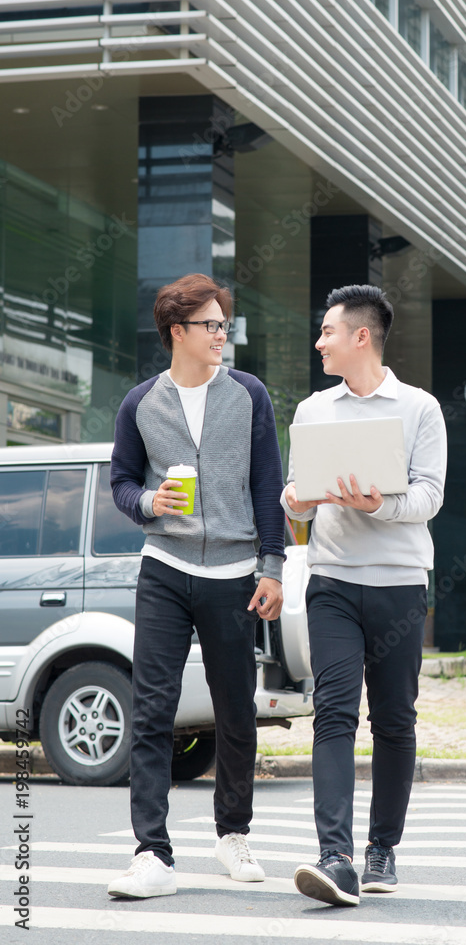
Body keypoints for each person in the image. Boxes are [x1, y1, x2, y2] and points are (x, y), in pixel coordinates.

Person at [107, 273, 285, 899]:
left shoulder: (248, 395)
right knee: (153, 708)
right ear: (176, 332)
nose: (221, 334)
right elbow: (122, 483)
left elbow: (268, 482)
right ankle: (151, 853)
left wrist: (272, 565)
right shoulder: (140, 403)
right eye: (210, 325)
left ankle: (232, 834)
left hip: (235, 573)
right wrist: (150, 501)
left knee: (235, 708)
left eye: (223, 323)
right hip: (165, 567)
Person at [282, 284, 447, 906]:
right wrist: (297, 500)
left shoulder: (420, 409)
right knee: (334, 713)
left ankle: (382, 849)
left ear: (360, 337)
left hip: (400, 585)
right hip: (331, 582)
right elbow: (294, 493)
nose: (319, 342)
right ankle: (336, 856)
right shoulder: (312, 409)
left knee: (395, 721)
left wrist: (378, 504)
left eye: (327, 332)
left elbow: (430, 496)